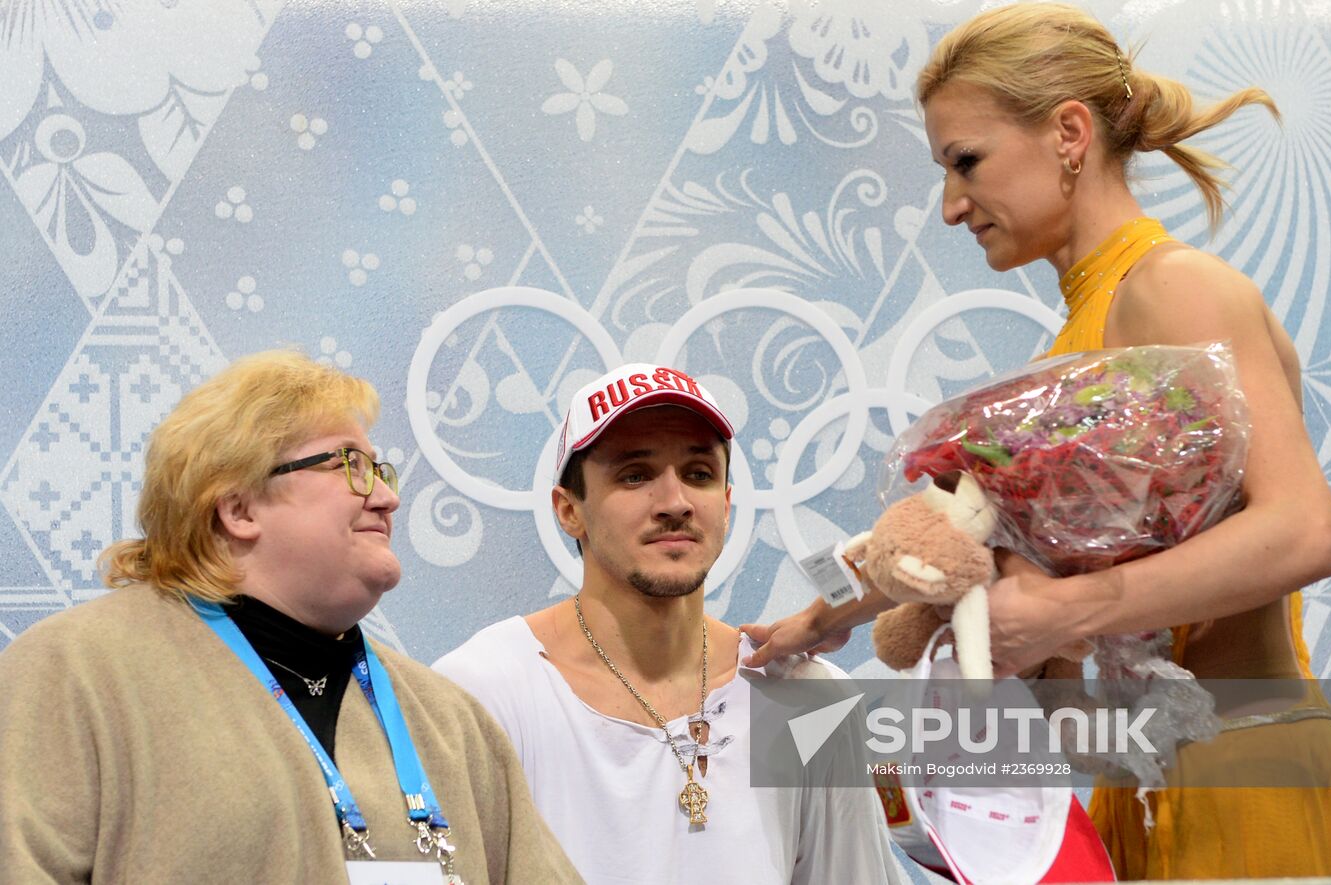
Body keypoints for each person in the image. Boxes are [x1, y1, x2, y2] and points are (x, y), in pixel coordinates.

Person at [742, 4, 1331, 879]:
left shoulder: (1174, 288)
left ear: (1068, 132)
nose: (948, 206)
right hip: (1145, 799)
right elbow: (960, 547)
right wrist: (818, 620)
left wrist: (1063, 612)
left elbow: (1307, 530)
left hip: (1257, 784)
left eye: (964, 162)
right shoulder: (1075, 342)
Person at [0, 350, 580, 884]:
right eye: (351, 466)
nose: (386, 498)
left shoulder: (451, 722)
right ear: (238, 507)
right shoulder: (76, 672)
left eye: (381, 472)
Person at [433, 363, 903, 884]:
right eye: (635, 475)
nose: (675, 503)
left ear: (725, 505)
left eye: (699, 474)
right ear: (569, 511)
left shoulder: (807, 700)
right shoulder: (483, 692)